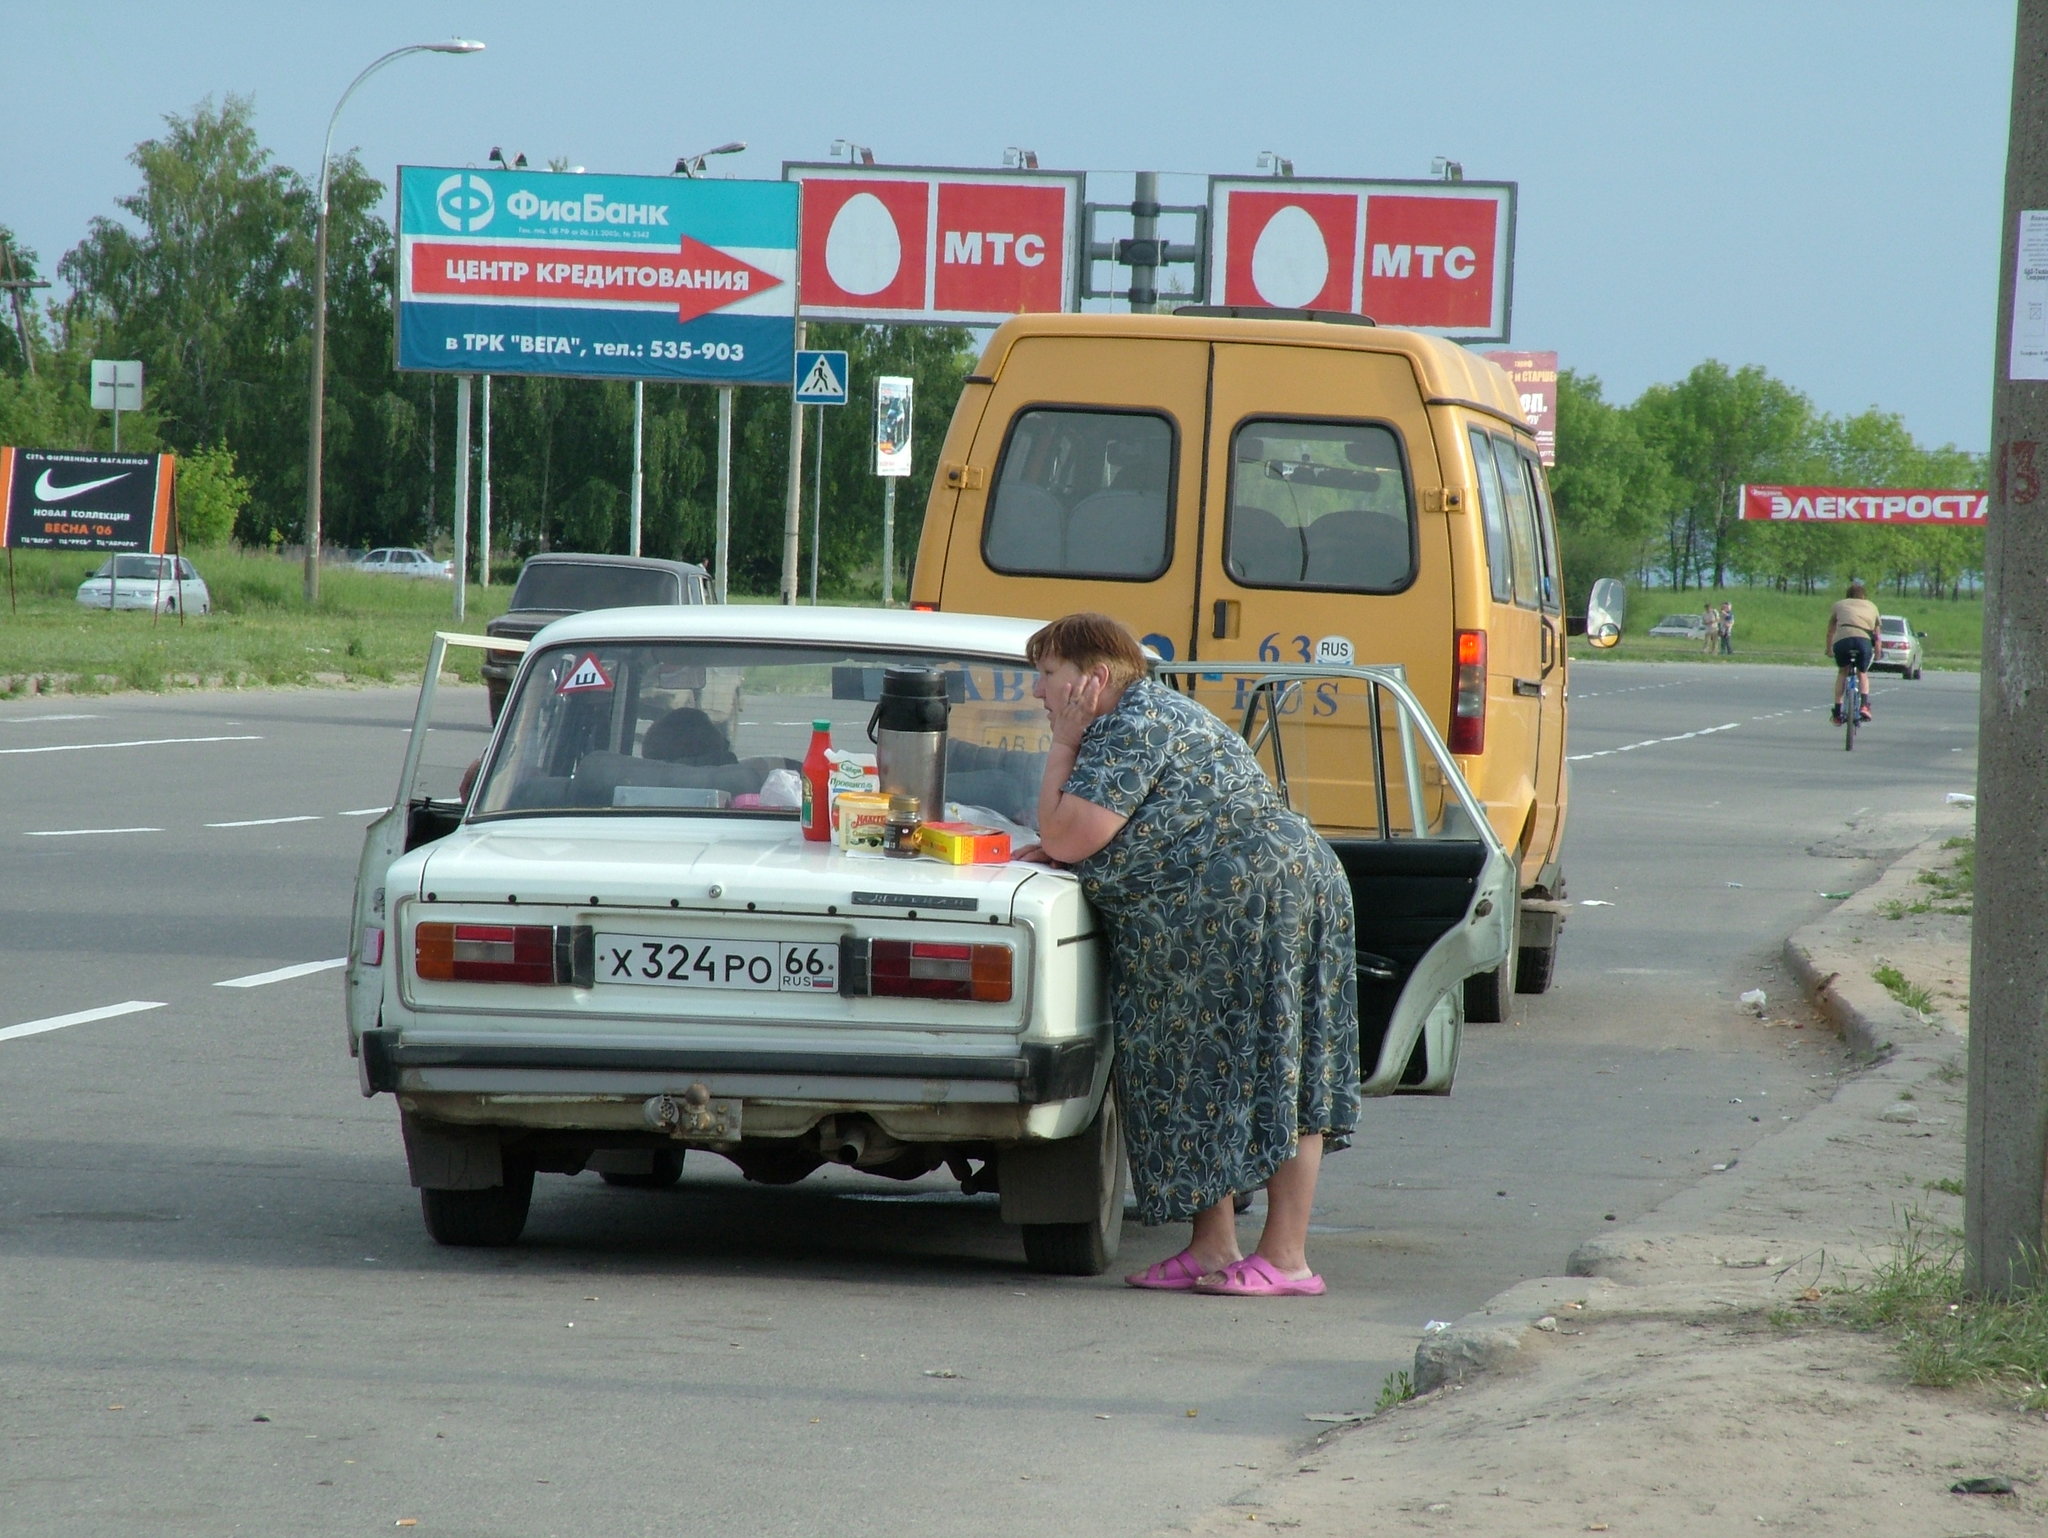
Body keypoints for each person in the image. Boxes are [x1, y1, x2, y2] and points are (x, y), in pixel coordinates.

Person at [1015, 613, 1361, 1297]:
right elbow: (1075, 835)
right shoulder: (1140, 715)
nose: (1038, 693)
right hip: (1229, 907)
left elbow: (1070, 834)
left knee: (1275, 1069)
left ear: (1095, 679)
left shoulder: (1125, 727)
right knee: (1197, 1066)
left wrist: (1063, 744)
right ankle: (1212, 1246)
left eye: (1048, 676)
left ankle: (1287, 1259)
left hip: (1258, 899)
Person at [1825, 579, 1881, 724]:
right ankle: (1864, 705)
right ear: (1864, 597)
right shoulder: (1872, 606)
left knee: (1843, 672)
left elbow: (1831, 630)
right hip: (1863, 641)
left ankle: (1837, 712)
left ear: (1847, 596)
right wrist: (1878, 652)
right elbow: (1877, 634)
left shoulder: (1839, 605)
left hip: (1843, 641)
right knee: (1862, 673)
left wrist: (1829, 649)